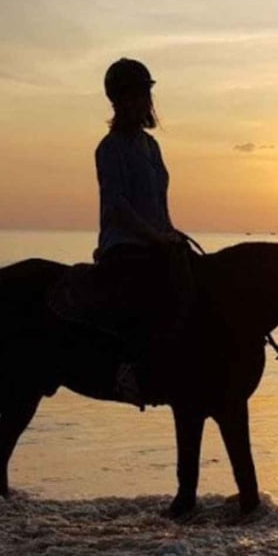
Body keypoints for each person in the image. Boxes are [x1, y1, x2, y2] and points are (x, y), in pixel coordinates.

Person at [94, 58, 190, 407]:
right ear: (117, 101)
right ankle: (130, 370)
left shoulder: (151, 147)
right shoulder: (110, 148)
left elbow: (158, 201)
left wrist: (170, 233)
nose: (141, 103)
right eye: (132, 96)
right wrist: (154, 237)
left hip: (157, 241)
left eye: (144, 95)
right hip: (124, 245)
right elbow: (117, 207)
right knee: (145, 293)